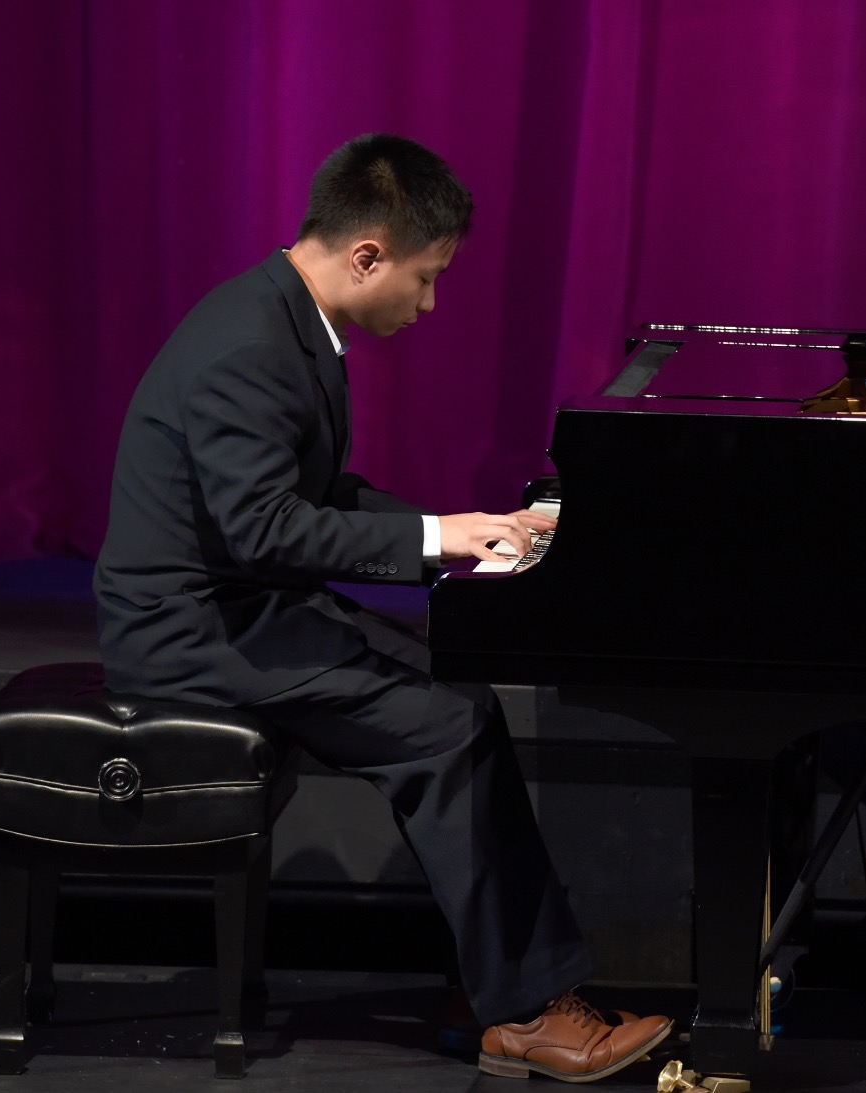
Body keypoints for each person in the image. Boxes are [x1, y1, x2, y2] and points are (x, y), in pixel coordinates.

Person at [93, 133, 672, 1082]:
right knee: (447, 722)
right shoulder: (251, 346)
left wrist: (463, 528)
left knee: (452, 699)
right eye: (427, 276)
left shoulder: (284, 319)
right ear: (367, 255)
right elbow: (265, 529)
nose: (430, 301)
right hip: (188, 636)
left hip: (244, 609)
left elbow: (316, 494)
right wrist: (436, 539)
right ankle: (525, 1009)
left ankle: (499, 983)